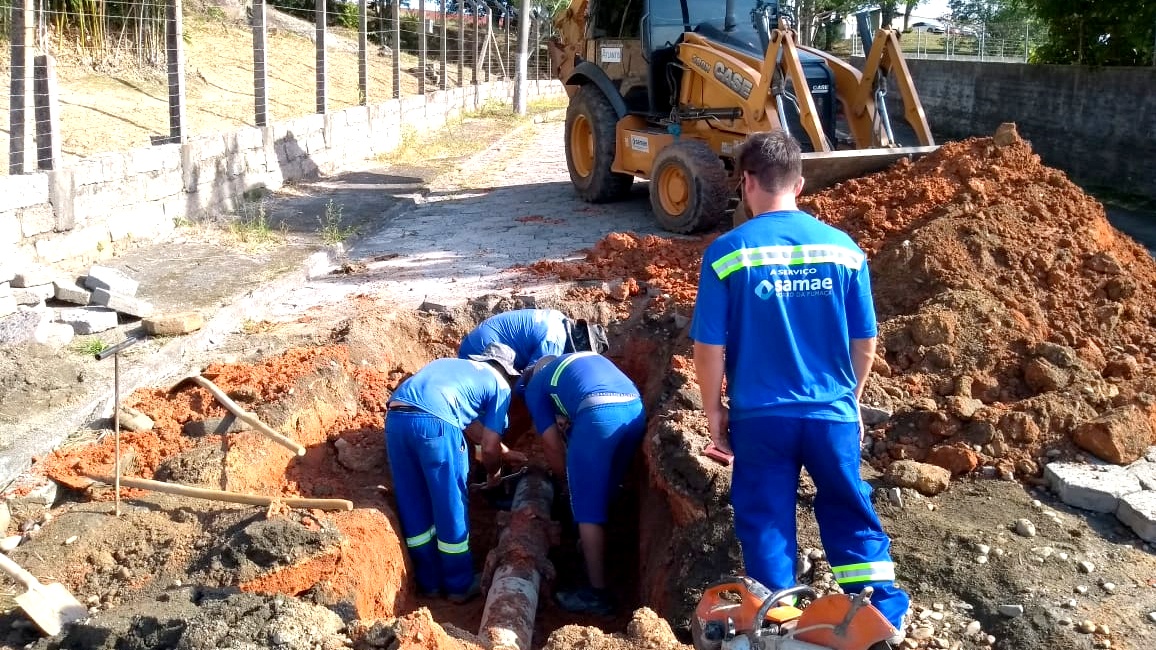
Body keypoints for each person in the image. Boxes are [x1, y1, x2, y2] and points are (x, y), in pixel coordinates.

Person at [689, 130, 910, 634]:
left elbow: (709, 348)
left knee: (765, 517)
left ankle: (779, 625)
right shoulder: (845, 250)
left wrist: (713, 411)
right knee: (848, 508)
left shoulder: (727, 252)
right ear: (800, 185)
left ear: (746, 183)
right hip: (830, 411)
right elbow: (865, 343)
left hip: (760, 416)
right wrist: (849, 402)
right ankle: (879, 616)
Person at [384, 342, 521, 603]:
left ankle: (430, 583)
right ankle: (459, 585)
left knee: (413, 501)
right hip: (435, 425)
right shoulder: (500, 385)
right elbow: (488, 446)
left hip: (396, 419)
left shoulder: (449, 366)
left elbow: (470, 426)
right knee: (450, 502)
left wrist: (506, 452)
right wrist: (494, 474)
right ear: (506, 371)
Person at [516, 351, 645, 615]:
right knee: (607, 483)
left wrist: (567, 483)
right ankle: (596, 543)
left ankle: (596, 593)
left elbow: (551, 445)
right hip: (634, 410)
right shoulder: (576, 362)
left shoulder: (535, 386)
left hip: (598, 416)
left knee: (586, 507)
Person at [458, 309, 609, 372]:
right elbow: (531, 382)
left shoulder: (559, 318)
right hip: (482, 350)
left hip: (480, 338)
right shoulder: (554, 343)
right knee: (497, 394)